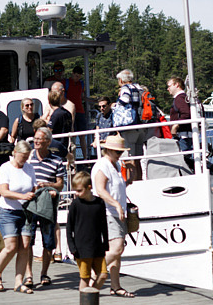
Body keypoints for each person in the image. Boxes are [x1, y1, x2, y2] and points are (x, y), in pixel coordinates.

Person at [91, 134, 135, 298]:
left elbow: (123, 184)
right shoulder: (102, 165)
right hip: (107, 211)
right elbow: (100, 189)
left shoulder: (115, 165)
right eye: (117, 151)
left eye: (121, 151)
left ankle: (115, 285)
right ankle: (94, 273)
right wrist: (116, 204)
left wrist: (132, 170)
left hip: (117, 212)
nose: (120, 154)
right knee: (117, 248)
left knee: (117, 251)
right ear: (107, 150)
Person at [0, 141, 37, 294]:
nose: (25, 160)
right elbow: (3, 191)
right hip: (8, 211)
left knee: (25, 246)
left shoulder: (30, 168)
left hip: (26, 211)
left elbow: (34, 187)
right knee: (11, 246)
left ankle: (19, 282)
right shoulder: (6, 168)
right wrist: (22, 196)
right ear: (15, 152)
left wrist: (41, 191)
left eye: (27, 157)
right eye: (23, 156)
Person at [24, 127, 65, 287]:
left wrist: (50, 186)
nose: (36, 141)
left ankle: (44, 273)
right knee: (28, 240)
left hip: (47, 204)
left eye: (39, 139)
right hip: (31, 203)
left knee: (48, 241)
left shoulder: (57, 161)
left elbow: (60, 184)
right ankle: (29, 274)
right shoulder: (27, 159)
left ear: (47, 142)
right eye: (35, 138)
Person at [66, 171, 109, 293]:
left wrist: (105, 242)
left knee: (103, 274)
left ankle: (90, 296)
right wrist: (72, 246)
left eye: (79, 190)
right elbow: (69, 227)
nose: (77, 193)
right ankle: (86, 299)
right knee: (85, 277)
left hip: (97, 246)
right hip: (81, 248)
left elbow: (103, 224)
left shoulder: (99, 203)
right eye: (76, 190)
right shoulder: (75, 204)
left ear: (89, 187)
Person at [115, 69, 146, 181]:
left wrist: (117, 103)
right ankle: (139, 180)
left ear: (122, 80)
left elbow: (125, 99)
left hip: (130, 126)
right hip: (141, 125)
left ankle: (131, 183)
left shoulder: (125, 88)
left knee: (129, 158)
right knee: (138, 158)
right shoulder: (139, 88)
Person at [167, 77, 193, 170]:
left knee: (183, 159)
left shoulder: (180, 98)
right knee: (184, 157)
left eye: (169, 86)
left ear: (176, 85)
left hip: (183, 135)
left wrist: (175, 126)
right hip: (184, 135)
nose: (168, 88)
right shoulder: (182, 98)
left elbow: (186, 113)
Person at [65, 66, 89, 159]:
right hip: (70, 112)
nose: (77, 78)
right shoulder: (67, 83)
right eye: (75, 76)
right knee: (72, 135)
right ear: (72, 74)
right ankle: (73, 158)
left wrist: (93, 101)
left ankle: (85, 158)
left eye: (78, 77)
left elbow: (82, 97)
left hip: (80, 111)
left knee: (82, 136)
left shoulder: (81, 84)